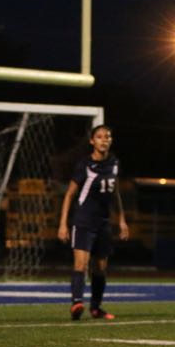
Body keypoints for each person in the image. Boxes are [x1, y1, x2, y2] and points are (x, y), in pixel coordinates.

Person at [57, 124, 129, 320]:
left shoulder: (114, 163)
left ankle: (96, 308)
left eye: (107, 136)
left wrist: (122, 220)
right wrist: (63, 223)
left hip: (103, 223)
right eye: (99, 137)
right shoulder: (84, 165)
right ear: (92, 141)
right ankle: (76, 303)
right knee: (81, 263)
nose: (104, 139)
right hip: (83, 221)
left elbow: (115, 193)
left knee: (100, 267)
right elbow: (70, 194)